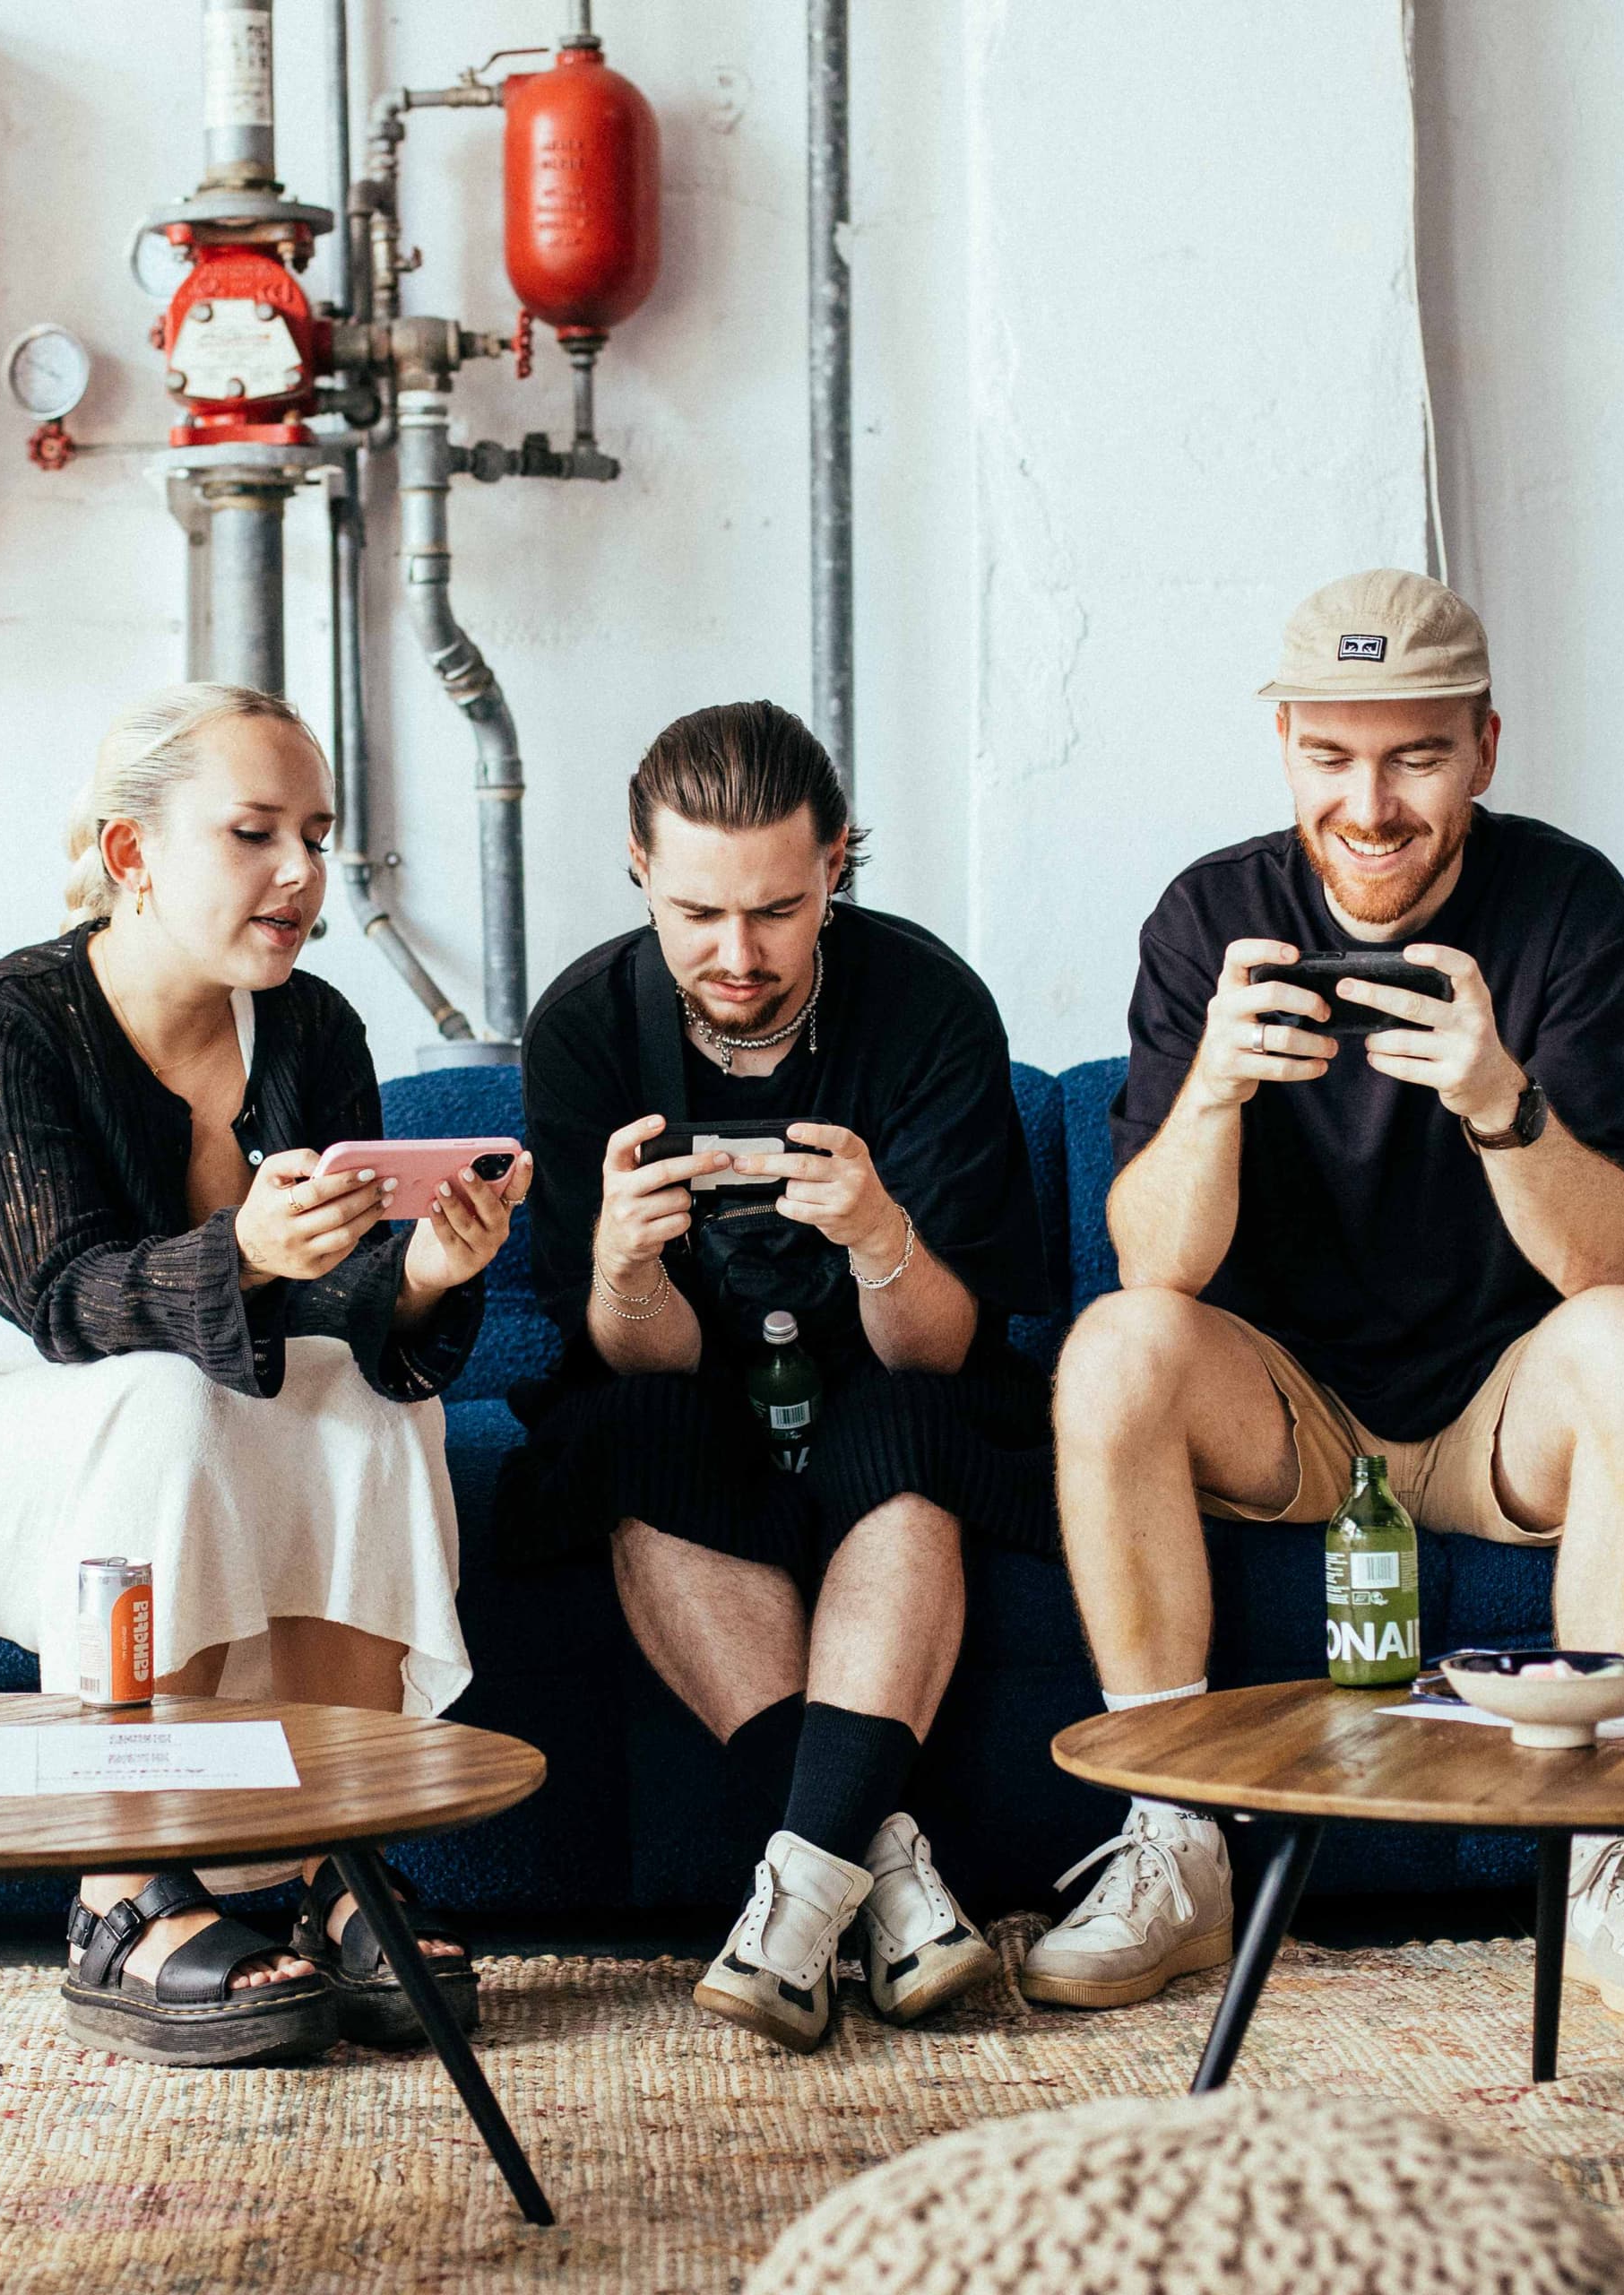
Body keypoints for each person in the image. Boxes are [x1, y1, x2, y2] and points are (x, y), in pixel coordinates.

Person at [1041, 570, 1624, 2022]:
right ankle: (1176, 1846)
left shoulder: (1571, 908)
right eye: (1333, 756)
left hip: (1497, 1417)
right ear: (1284, 741)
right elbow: (1155, 1268)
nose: (1373, 804)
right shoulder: (1211, 913)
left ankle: (1603, 1853)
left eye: (1415, 756)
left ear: (1485, 748)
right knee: (1114, 1348)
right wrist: (1215, 1091)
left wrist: (1499, 1100)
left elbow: (1615, 1266)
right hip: (1293, 1422)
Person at [0, 683, 524, 2069]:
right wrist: (248, 1251)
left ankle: (340, 1848)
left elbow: (333, 1311)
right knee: (162, 1392)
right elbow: (65, 1302)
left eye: (317, 835)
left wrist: (432, 1274)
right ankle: (117, 1892)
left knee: (372, 1398)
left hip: (204, 1408)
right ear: (132, 853)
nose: (302, 874)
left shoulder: (315, 1029)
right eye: (255, 832)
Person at [500, 699, 1058, 2054]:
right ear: (637, 862)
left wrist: (882, 1239)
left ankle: (796, 1909)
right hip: (691, 1402)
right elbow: (641, 1363)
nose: (735, 954)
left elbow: (940, 1348)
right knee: (632, 1430)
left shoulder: (924, 1003)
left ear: (837, 868)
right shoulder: (585, 1025)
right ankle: (893, 1887)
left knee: (917, 1431)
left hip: (888, 1385)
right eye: (695, 913)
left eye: (775, 911)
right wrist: (626, 1274)